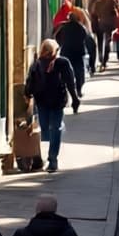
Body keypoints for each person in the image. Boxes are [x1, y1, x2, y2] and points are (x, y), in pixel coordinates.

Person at [24, 40, 80, 173]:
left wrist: (27, 93)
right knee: (48, 130)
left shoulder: (58, 63)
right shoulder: (40, 64)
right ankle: (50, 156)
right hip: (48, 102)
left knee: (53, 129)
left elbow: (69, 81)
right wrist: (74, 98)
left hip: (52, 102)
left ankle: (52, 159)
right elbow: (30, 80)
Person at [53, 8, 96, 95]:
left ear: (68, 18)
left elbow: (56, 36)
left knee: (66, 72)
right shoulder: (81, 28)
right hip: (78, 53)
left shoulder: (63, 27)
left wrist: (61, 44)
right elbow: (87, 40)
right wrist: (92, 63)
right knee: (79, 72)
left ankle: (67, 90)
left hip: (66, 52)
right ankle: (79, 89)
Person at [87, 0, 119, 72]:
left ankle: (103, 61)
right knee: (101, 42)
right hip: (99, 25)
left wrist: (118, 20)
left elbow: (118, 9)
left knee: (106, 43)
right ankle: (101, 59)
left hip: (108, 25)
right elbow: (91, 11)